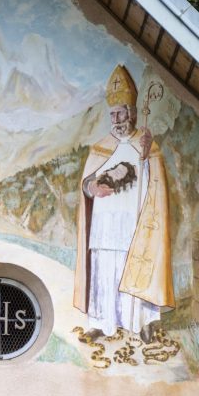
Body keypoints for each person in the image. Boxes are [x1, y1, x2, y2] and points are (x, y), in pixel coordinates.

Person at [73, 64, 174, 342]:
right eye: (113, 114)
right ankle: (102, 323)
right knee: (104, 271)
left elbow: (156, 185)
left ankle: (141, 322)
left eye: (121, 113)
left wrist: (146, 158)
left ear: (131, 113)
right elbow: (85, 185)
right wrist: (93, 187)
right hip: (105, 226)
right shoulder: (100, 147)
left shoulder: (146, 146)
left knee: (135, 267)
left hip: (134, 223)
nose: (116, 119)